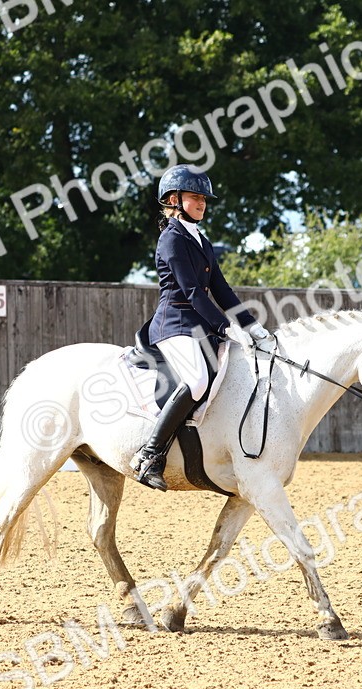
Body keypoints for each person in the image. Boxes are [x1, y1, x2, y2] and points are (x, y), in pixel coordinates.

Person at [130, 165, 275, 491]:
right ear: (173, 199)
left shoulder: (201, 240)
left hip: (198, 325)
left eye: (204, 199)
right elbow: (193, 292)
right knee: (197, 380)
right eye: (195, 197)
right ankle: (149, 454)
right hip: (173, 324)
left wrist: (251, 326)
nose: (202, 203)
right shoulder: (171, 239)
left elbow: (221, 290)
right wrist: (225, 327)